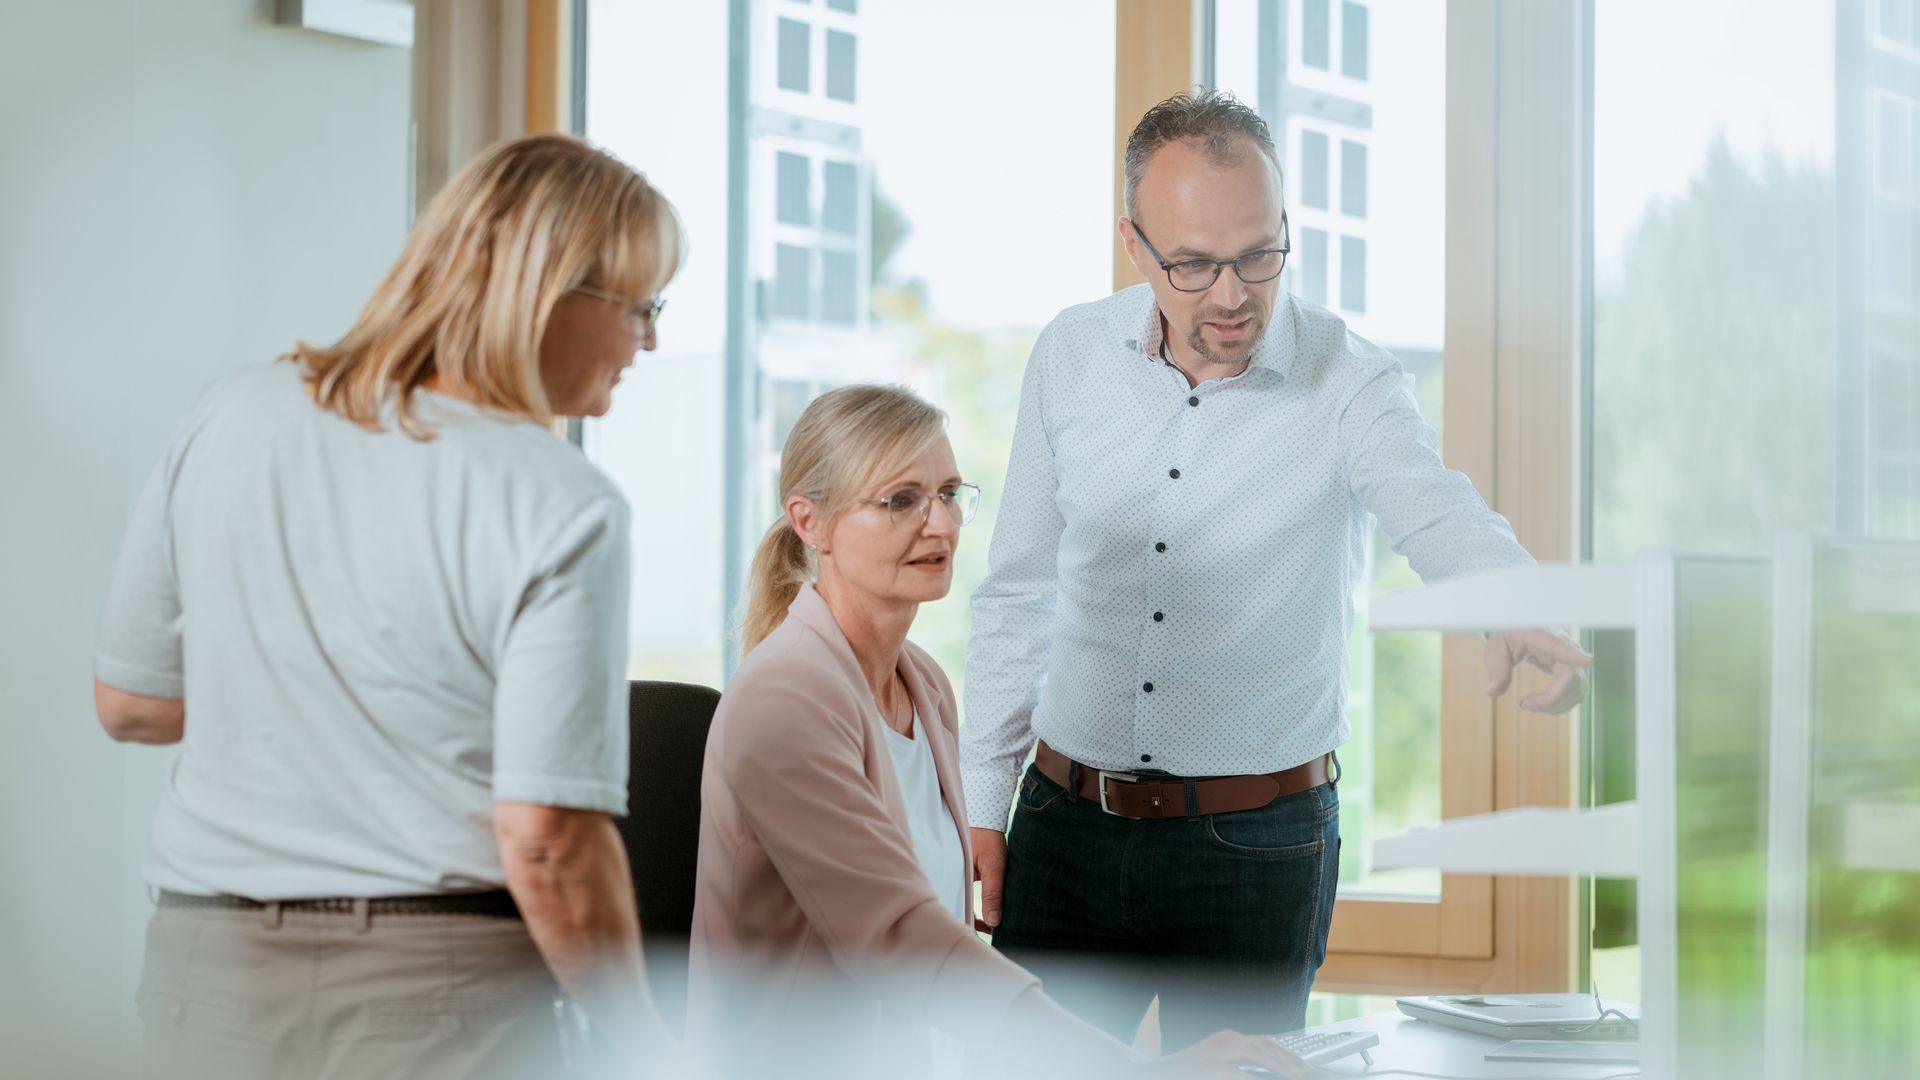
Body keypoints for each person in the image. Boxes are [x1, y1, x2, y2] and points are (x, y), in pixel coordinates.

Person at [961, 89, 1594, 1051]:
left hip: (1254, 848)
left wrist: (1505, 602)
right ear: (1135, 246)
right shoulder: (1071, 355)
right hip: (1062, 829)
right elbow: (1018, 594)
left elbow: (1434, 505)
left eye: (1260, 255)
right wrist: (980, 803)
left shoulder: (1350, 378)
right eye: (1194, 263)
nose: (1231, 294)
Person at [94, 133, 682, 1078]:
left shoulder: (231, 411)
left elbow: (134, 704)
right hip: (437, 989)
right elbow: (546, 841)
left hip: (208, 970)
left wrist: (315, 691)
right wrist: (647, 1041)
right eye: (641, 307)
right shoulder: (557, 496)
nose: (649, 341)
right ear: (548, 292)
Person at [686, 385, 1309, 1080]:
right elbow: (897, 936)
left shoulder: (922, 683)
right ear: (811, 522)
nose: (940, 524)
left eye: (949, 493)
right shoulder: (785, 698)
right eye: (901, 501)